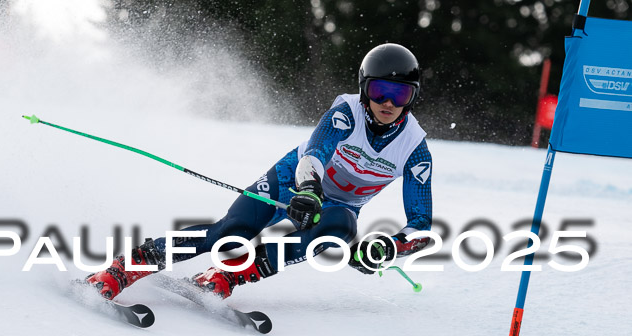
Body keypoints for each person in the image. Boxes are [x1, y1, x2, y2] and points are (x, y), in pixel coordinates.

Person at [86, 43, 433, 300]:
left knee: (340, 227)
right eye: (380, 90)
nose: (388, 103)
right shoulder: (346, 112)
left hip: (333, 207)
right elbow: (315, 153)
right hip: (291, 181)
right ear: (364, 89)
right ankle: (124, 268)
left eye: (400, 94)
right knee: (232, 232)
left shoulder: (415, 148)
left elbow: (420, 224)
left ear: (412, 97)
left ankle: (226, 278)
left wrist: (388, 247)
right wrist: (309, 189)